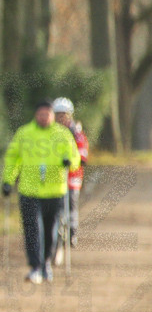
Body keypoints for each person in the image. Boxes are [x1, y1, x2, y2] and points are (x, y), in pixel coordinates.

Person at [1, 99, 80, 283]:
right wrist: (8, 181)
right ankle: (35, 266)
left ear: (52, 116)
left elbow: (74, 156)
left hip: (55, 191)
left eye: (47, 114)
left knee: (51, 230)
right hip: (29, 190)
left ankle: (46, 264)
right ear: (36, 115)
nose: (44, 118)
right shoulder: (24, 133)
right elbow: (13, 158)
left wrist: (70, 162)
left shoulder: (62, 134)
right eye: (41, 114)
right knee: (32, 229)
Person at [51, 97, 88, 247]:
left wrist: (80, 159)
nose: (61, 119)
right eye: (58, 115)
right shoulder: (51, 132)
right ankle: (57, 230)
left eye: (64, 115)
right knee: (56, 203)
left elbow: (82, 148)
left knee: (71, 201)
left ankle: (73, 231)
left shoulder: (76, 132)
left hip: (73, 174)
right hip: (56, 174)